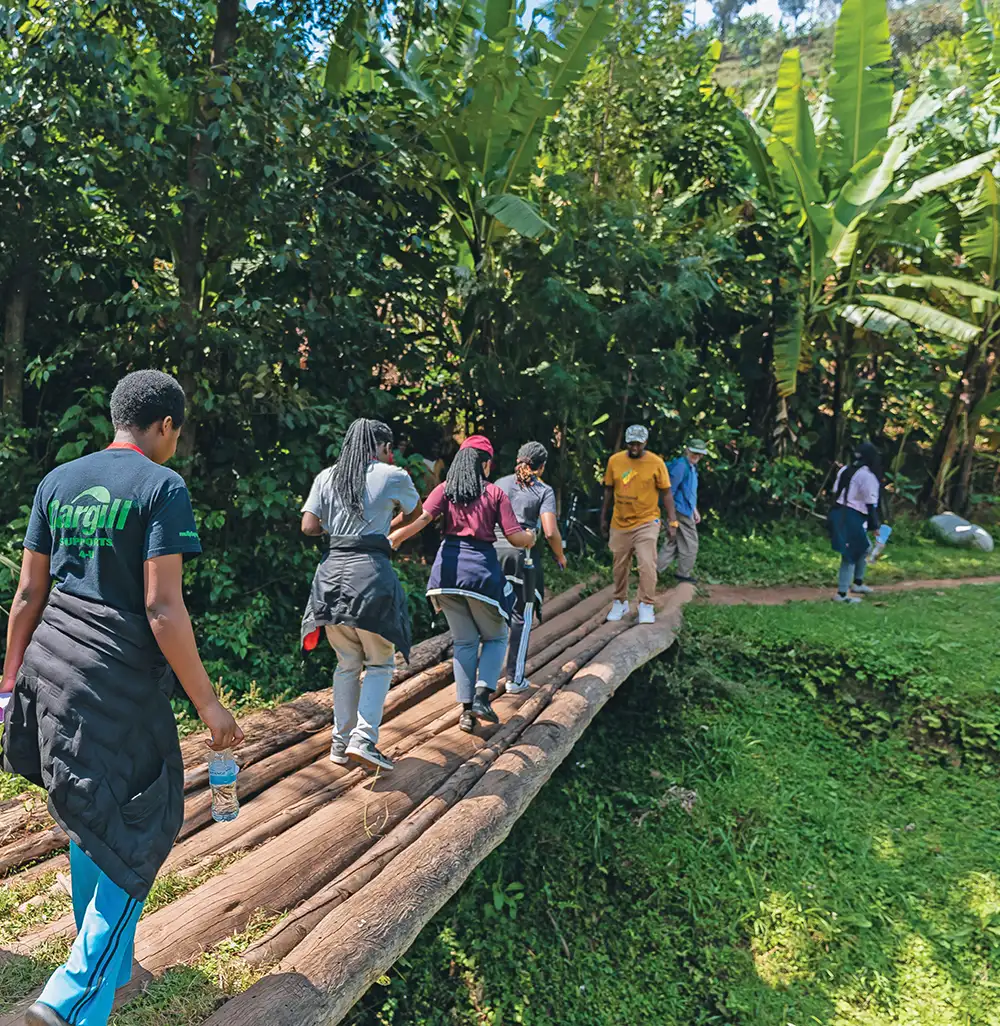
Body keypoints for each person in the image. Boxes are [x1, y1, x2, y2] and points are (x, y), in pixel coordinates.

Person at [1, 370, 242, 1026]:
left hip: (50, 675)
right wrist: (209, 704)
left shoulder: (59, 481)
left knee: (91, 817)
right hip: (115, 687)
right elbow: (163, 609)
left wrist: (8, 680)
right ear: (164, 425)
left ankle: (116, 969)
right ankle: (70, 998)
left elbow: (28, 595)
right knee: (145, 826)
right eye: (178, 431)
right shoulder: (163, 487)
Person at [388, 436, 536, 733]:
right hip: (479, 576)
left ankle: (466, 712)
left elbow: (422, 521)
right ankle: (482, 695)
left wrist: (394, 537)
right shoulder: (494, 494)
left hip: (445, 576)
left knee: (465, 642)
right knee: (496, 637)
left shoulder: (445, 490)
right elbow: (515, 537)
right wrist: (531, 537)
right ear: (484, 464)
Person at [300, 418, 423, 773]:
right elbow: (413, 512)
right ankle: (364, 739)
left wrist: (338, 528)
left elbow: (308, 526)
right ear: (382, 448)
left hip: (329, 578)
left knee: (347, 664)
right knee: (381, 662)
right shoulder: (392, 475)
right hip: (369, 575)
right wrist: (380, 522)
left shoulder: (326, 476)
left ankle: (340, 744)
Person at [494, 442, 568, 692]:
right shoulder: (542, 490)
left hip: (492, 553)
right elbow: (549, 531)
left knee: (493, 613)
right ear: (542, 467)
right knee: (521, 616)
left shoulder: (499, 484)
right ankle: (514, 679)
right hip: (521, 557)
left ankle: (483, 680)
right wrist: (560, 555)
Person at [600, 424, 678, 625]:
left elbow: (666, 493)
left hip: (647, 521)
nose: (635, 447)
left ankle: (646, 605)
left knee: (646, 564)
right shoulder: (615, 461)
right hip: (620, 521)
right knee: (619, 566)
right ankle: (620, 601)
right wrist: (603, 517)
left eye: (638, 443)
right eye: (631, 443)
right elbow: (608, 490)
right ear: (627, 442)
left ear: (645, 443)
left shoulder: (656, 463)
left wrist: (673, 521)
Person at [828, 442, 882, 604]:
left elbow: (835, 491)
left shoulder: (845, 470)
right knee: (851, 554)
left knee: (864, 548)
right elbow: (870, 503)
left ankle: (858, 583)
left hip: (839, 511)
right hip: (852, 515)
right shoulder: (868, 476)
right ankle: (842, 595)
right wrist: (875, 526)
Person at [657, 439, 708, 582]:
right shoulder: (681, 466)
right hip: (679, 511)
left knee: (672, 541)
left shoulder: (691, 466)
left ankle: (655, 571)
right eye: (694, 452)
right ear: (687, 450)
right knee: (691, 543)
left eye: (700, 454)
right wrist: (671, 516)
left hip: (685, 509)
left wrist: (695, 510)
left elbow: (689, 491)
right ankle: (683, 574)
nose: (697, 456)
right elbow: (669, 491)